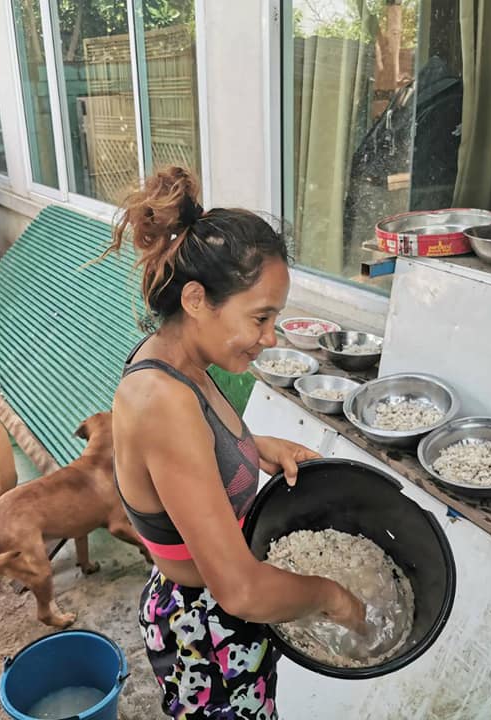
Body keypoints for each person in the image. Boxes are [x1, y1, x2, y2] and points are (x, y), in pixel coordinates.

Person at [104, 167, 368, 719]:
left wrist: (255, 448)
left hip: (213, 611)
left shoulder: (181, 357)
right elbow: (241, 592)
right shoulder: (161, 397)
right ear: (198, 299)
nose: (270, 337)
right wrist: (331, 596)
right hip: (204, 631)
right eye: (261, 317)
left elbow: (194, 452)